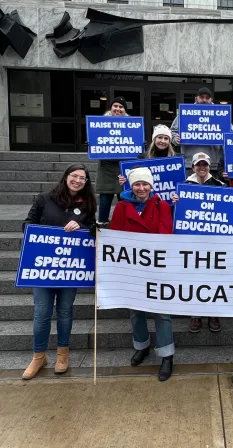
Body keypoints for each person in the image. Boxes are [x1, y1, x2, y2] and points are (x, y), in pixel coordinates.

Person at [21, 164, 97, 380]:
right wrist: (48, 233)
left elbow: (93, 229)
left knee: (65, 312)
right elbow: (27, 225)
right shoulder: (45, 199)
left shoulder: (88, 204)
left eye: (82, 178)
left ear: (86, 182)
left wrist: (82, 227)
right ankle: (38, 356)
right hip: (44, 268)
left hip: (69, 269)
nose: (78, 181)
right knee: (42, 313)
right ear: (66, 177)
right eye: (74, 176)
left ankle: (63, 353)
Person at [109, 167, 175, 381]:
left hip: (156, 266)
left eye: (145, 184)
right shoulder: (121, 206)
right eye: (137, 184)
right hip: (132, 268)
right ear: (131, 185)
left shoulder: (161, 205)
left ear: (151, 185)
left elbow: (165, 234)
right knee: (135, 311)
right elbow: (116, 236)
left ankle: (167, 355)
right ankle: (142, 346)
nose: (141, 188)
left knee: (162, 312)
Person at [172, 152, 225, 333]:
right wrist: (175, 203)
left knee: (214, 277)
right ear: (193, 167)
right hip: (191, 241)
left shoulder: (220, 185)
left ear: (209, 166)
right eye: (198, 165)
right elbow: (176, 214)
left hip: (214, 241)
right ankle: (195, 314)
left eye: (205, 165)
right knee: (193, 277)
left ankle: (213, 313)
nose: (201, 168)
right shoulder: (183, 186)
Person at [171, 87, 229, 177]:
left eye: (207, 98)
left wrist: (225, 141)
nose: (204, 100)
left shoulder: (221, 114)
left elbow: (230, 136)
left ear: (211, 99)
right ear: (196, 98)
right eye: (202, 97)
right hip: (190, 164)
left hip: (213, 165)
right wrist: (176, 139)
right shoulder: (186, 113)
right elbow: (172, 131)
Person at [96, 96, 128, 225]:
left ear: (124, 110)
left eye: (121, 107)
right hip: (106, 169)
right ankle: (102, 225)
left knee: (124, 200)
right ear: (111, 108)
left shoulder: (131, 126)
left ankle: (124, 226)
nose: (118, 109)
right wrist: (91, 145)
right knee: (104, 200)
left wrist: (139, 145)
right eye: (115, 106)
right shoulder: (100, 125)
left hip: (123, 168)